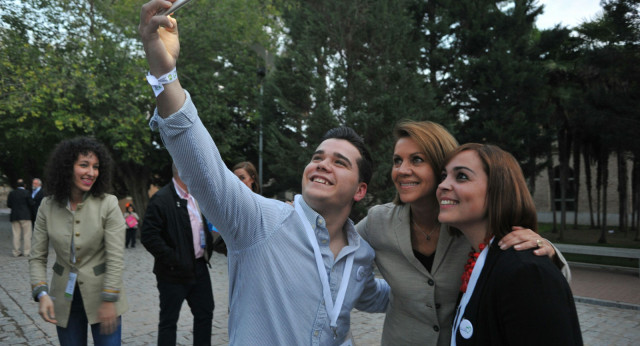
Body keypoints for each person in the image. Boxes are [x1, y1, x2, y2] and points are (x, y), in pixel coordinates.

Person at [138, 3, 390, 344]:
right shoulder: (259, 221)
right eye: (318, 156)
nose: (322, 164)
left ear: (360, 191)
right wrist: (165, 74)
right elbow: (201, 165)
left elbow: (384, 297)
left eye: (339, 162)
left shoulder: (361, 256)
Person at [355, 121, 569, 346]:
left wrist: (548, 249)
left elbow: (535, 284)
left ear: (441, 166)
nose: (402, 170)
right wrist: (393, 297)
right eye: (397, 160)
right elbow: (338, 257)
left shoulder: (469, 221)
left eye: (416, 159)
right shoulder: (378, 221)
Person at [437, 143, 582, 345]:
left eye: (461, 176)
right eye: (444, 176)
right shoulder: (481, 258)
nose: (442, 185)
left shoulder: (526, 271)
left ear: (498, 190)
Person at [29, 137, 129, 345]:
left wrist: (109, 299)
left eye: (95, 167)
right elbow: (37, 257)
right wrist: (42, 293)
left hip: (103, 297)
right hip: (65, 300)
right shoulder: (47, 206)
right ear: (66, 167)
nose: (91, 172)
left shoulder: (108, 203)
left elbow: (115, 257)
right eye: (84, 165)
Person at [140, 163, 215, 346]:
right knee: (169, 321)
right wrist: (174, 259)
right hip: (172, 272)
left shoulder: (195, 196)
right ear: (182, 171)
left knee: (205, 314)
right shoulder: (161, 199)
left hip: (199, 267)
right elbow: (149, 236)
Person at [7, 178, 33, 257]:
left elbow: (9, 204)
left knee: (16, 234)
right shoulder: (27, 192)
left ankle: (16, 251)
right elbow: (31, 204)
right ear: (24, 185)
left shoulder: (12, 193)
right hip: (25, 216)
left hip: (15, 216)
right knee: (27, 235)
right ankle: (27, 251)